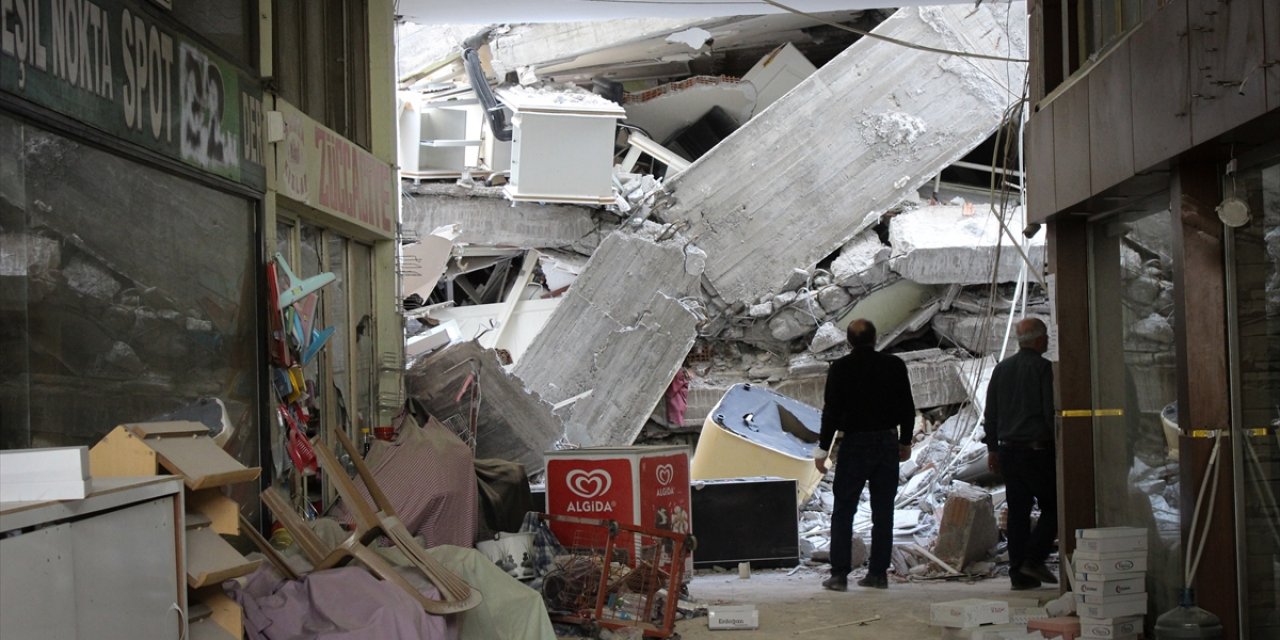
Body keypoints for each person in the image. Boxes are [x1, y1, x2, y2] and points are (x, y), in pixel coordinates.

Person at [814, 319, 915, 591]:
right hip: (886, 442)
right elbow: (907, 406)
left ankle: (839, 575)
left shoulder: (841, 368)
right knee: (883, 511)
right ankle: (878, 574)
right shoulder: (894, 366)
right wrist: (905, 441)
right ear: (875, 338)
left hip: (855, 444)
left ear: (848, 341)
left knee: (844, 510)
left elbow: (831, 412)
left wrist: (822, 449)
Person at [983, 317, 1058, 590]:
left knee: (1017, 513)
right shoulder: (1044, 369)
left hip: (1008, 452)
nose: (1048, 340)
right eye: (1046, 336)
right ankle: (1034, 558)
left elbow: (990, 414)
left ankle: (1019, 576)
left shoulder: (1001, 369)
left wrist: (992, 448)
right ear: (1039, 340)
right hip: (1038, 452)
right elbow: (1050, 411)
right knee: (1055, 507)